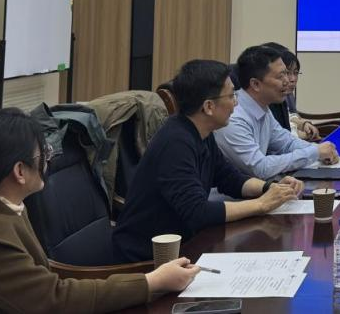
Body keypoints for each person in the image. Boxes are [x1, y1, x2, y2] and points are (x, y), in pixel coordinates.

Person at [0, 108, 198, 311]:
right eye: (43, 153)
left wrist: (152, 280)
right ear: (20, 172)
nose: (48, 160)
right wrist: (152, 282)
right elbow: (53, 299)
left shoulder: (5, 207)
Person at [113, 60, 302, 262]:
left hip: (186, 247)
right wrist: (261, 204)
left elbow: (229, 178)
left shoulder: (202, 132)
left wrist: (270, 188)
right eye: (231, 96)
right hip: (148, 258)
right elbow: (198, 211)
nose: (236, 103)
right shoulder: (175, 143)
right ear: (209, 106)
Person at [215, 45, 339, 179]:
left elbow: (287, 143)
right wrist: (314, 152)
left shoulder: (262, 108)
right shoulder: (233, 117)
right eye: (280, 76)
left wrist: (321, 151)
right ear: (255, 84)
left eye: (286, 73)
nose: (288, 81)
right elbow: (260, 168)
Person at [261, 42, 320, 141]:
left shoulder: (284, 93)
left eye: (295, 73)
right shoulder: (266, 99)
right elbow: (277, 136)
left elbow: (288, 116)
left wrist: (303, 124)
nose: (291, 79)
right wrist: (299, 135)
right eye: (286, 73)